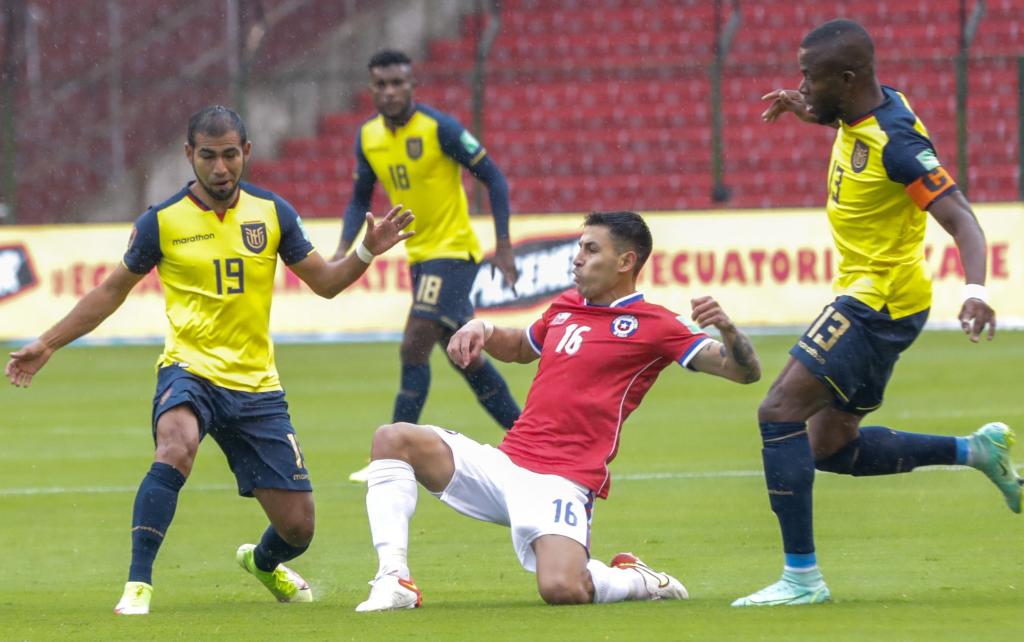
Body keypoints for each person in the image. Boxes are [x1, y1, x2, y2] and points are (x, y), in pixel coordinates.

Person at [4, 105, 413, 615]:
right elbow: (111, 292)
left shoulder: (273, 214)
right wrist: (48, 342)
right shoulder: (162, 222)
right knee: (175, 447)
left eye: (229, 156)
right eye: (207, 156)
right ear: (188, 156)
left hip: (257, 386)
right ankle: (138, 585)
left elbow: (326, 284)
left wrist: (367, 252)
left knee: (299, 527)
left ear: (246, 152)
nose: (220, 169)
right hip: (189, 369)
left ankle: (263, 562)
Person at [733, 19, 1020, 607]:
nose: (801, 84)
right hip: (885, 299)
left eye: (810, 77)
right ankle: (976, 451)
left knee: (778, 409)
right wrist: (804, 108)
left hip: (877, 301)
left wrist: (976, 289)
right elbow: (841, 116)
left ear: (846, 76)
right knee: (831, 449)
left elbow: (961, 215)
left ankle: (801, 580)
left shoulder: (899, 144)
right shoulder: (860, 105)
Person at [352, 211, 763, 611]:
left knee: (562, 588)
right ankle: (394, 580)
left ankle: (636, 578)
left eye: (590, 249)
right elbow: (519, 347)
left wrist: (728, 330)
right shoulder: (566, 307)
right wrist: (483, 327)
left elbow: (742, 371)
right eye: (578, 247)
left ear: (625, 261)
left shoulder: (655, 323)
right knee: (393, 438)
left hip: (564, 480)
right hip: (505, 466)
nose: (577, 257)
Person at [334, 49, 521, 483]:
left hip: (454, 253)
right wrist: (344, 247)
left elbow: (494, 177)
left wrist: (505, 244)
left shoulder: (441, 128)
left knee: (413, 344)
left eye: (398, 82)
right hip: (420, 258)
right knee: (466, 358)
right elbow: (360, 196)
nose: (390, 91)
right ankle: (528, 435)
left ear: (412, 86)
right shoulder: (369, 138)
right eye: (381, 84)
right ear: (372, 89)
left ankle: (391, 458)